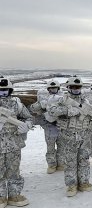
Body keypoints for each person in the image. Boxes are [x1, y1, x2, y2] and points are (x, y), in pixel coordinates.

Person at [47, 76, 92, 197]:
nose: (76, 89)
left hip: (84, 135)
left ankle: (84, 182)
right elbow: (52, 111)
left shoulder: (86, 101)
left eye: (78, 87)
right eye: (73, 87)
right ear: (68, 87)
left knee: (84, 159)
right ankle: (71, 185)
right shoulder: (62, 99)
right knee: (70, 162)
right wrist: (70, 111)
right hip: (68, 136)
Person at [0, 76, 32, 207]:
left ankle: (14, 195)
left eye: (5, 90)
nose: (2, 93)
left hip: (14, 144)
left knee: (14, 170)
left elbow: (29, 117)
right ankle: (1, 197)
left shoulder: (17, 105)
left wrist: (27, 126)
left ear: (10, 91)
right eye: (0, 90)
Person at [30, 80, 64, 174]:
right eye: (51, 88)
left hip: (61, 126)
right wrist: (40, 104)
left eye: (55, 88)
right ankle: (51, 165)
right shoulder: (43, 98)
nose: (53, 90)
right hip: (49, 127)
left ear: (58, 89)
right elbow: (33, 108)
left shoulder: (62, 98)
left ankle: (61, 163)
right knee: (50, 147)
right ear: (48, 89)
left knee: (62, 146)